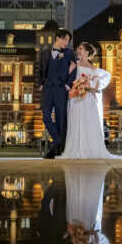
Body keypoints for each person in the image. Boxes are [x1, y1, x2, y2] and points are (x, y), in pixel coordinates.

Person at [58, 42, 122, 160]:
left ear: (87, 52)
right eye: (78, 49)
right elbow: (66, 79)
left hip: (89, 100)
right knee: (77, 122)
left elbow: (104, 78)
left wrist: (93, 87)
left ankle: (91, 149)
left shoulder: (94, 69)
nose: (78, 51)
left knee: (89, 123)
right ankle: (77, 149)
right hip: (77, 99)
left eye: (81, 49)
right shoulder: (74, 64)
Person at [38, 29, 77, 159]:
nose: (66, 42)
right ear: (57, 38)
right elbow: (39, 68)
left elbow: (74, 69)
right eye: (65, 39)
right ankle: (58, 140)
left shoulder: (69, 53)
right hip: (48, 89)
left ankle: (58, 148)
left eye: (68, 40)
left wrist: (68, 85)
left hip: (61, 89)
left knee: (61, 119)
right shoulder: (44, 52)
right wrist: (40, 84)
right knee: (46, 116)